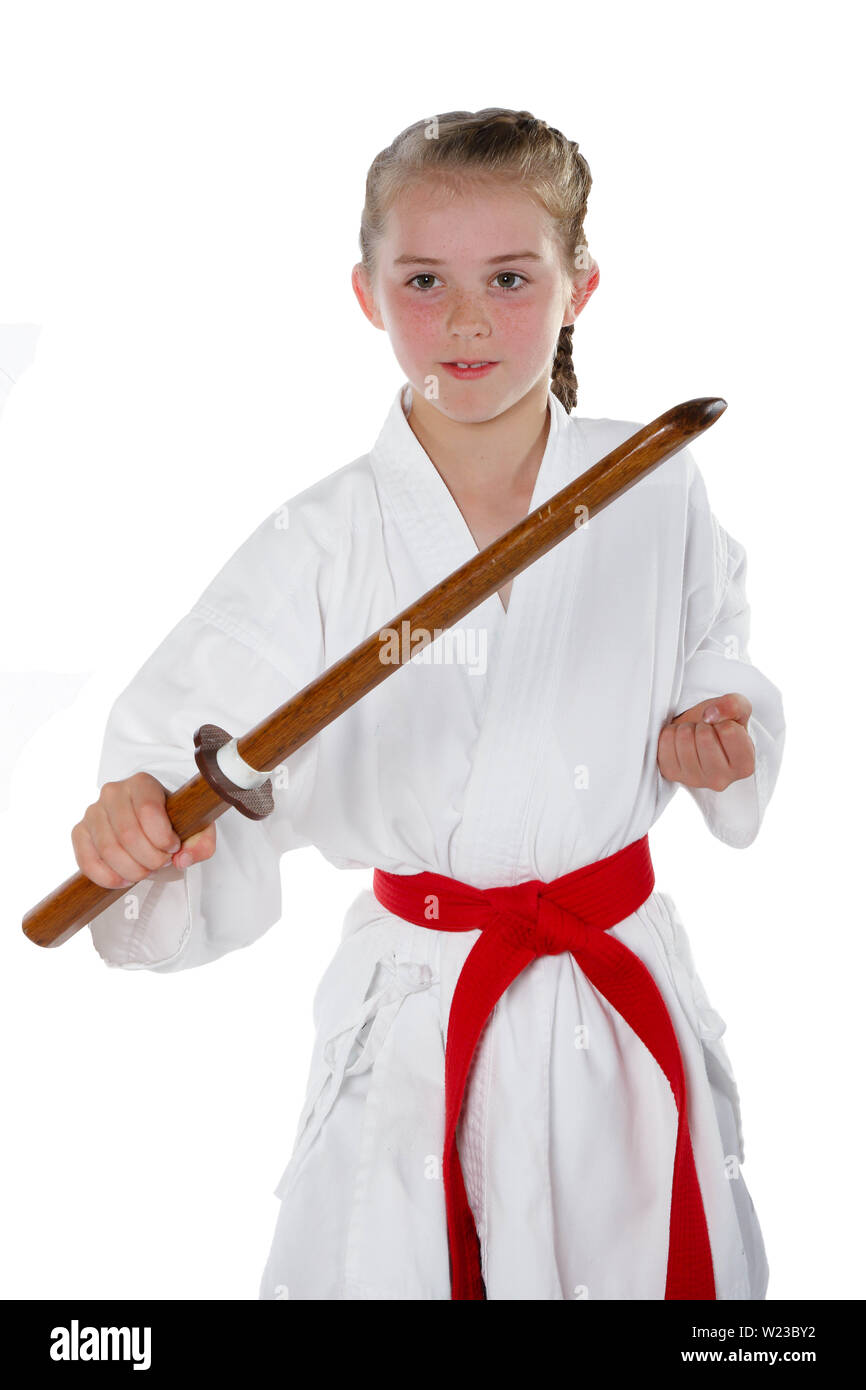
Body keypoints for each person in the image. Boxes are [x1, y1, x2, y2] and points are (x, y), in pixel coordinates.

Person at [74, 109, 785, 1300]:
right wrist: (136, 818)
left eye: (509, 277)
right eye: (423, 280)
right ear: (365, 292)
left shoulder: (652, 483)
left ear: (578, 288)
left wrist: (704, 730)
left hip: (611, 994)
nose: (463, 319)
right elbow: (175, 750)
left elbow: (714, 642)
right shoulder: (321, 540)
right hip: (422, 1002)